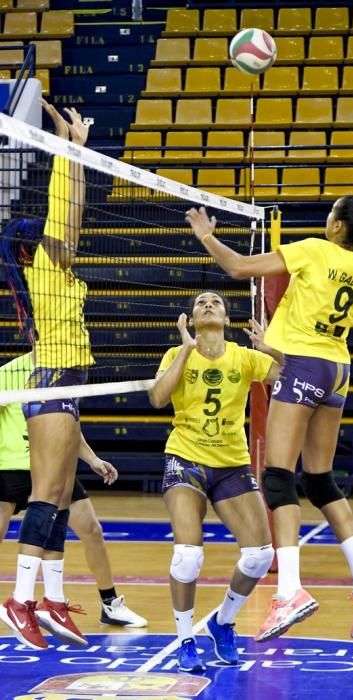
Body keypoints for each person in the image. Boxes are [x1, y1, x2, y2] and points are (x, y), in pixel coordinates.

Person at [185, 196, 353, 642]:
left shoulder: (313, 248)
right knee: (319, 479)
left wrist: (206, 235)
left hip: (305, 365)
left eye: (331, 213)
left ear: (334, 227)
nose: (326, 217)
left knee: (277, 477)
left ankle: (289, 590)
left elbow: (237, 267)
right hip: (338, 371)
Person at [0, 101, 95, 650]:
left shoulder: (62, 268)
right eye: (58, 235)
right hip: (54, 379)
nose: (69, 239)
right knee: (45, 494)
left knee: (59, 495)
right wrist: (68, 152)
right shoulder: (46, 264)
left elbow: (72, 218)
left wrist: (77, 150)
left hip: (68, 382)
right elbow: (66, 212)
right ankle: (19, 600)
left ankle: (52, 600)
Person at [148, 292, 279, 672]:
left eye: (215, 302)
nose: (208, 305)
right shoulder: (177, 354)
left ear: (225, 317)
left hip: (231, 463)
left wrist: (272, 348)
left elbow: (293, 375)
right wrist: (186, 350)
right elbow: (157, 398)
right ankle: (185, 640)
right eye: (201, 302)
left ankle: (222, 622)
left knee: (260, 556)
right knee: (188, 557)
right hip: (185, 458)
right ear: (190, 316)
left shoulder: (245, 356)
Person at [0, 353, 147, 631]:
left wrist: (92, 459)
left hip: (54, 465)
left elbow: (68, 428)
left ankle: (110, 604)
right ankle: (23, 603)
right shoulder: (9, 373)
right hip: (11, 467)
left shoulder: (64, 372)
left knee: (92, 530)